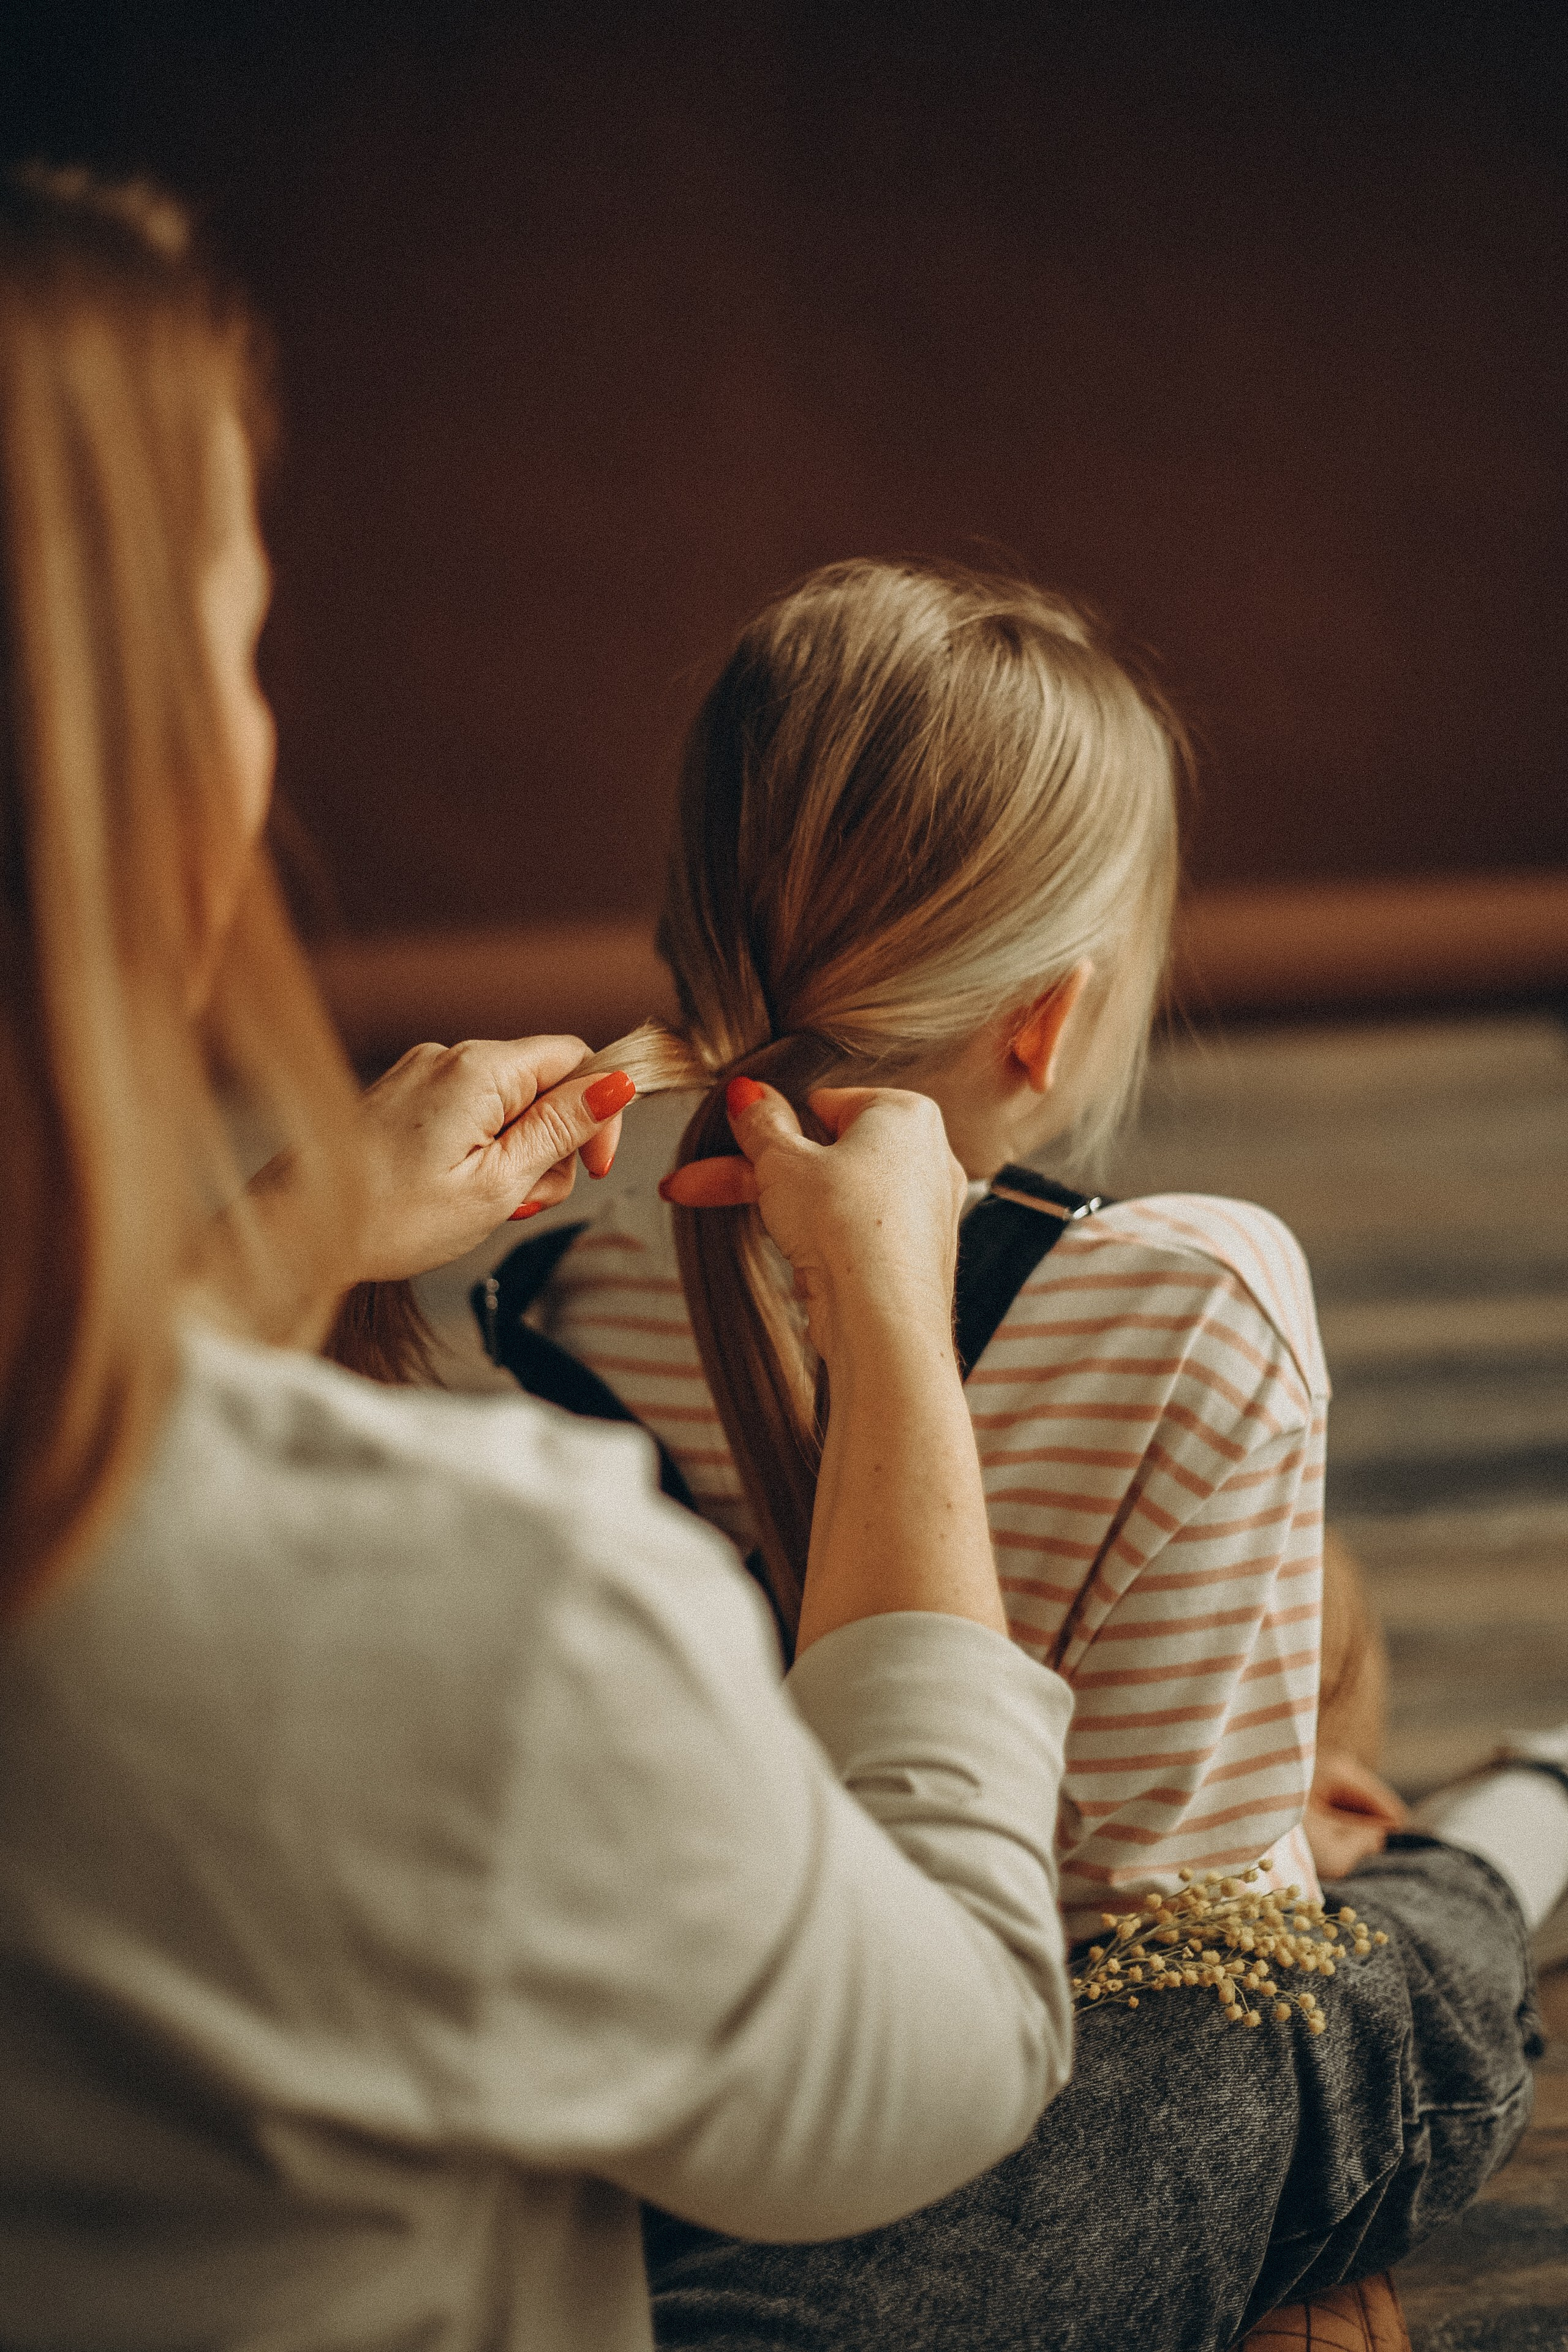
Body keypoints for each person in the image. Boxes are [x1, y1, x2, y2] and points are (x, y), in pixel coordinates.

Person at [0, 168, 1084, 2351]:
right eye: (239, 641)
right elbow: (970, 2039)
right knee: (1298, 2027)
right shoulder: (495, 1614)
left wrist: (291, 1237)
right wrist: (893, 1328)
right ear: (133, 769)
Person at [444, 563, 1566, 2349]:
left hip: (703, 2033)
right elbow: (1180, 1959)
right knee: (1352, 1972)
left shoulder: (544, 1300)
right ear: (1050, 1017)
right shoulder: (1196, 1299)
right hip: (1011, 2051)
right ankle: (1523, 1823)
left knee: (1319, 1627)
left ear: (693, 937)